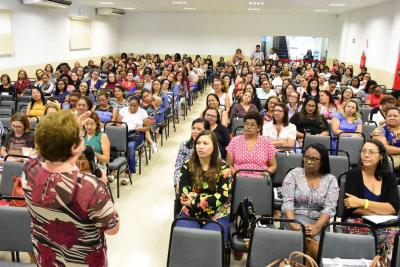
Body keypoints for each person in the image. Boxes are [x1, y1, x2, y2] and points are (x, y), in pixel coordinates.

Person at [22, 110, 119, 267]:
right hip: (81, 261)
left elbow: (45, 150)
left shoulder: (29, 169)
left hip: (47, 257)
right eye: (80, 136)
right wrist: (102, 185)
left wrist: (66, 126)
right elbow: (112, 229)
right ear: (75, 147)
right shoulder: (90, 186)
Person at [343, 139, 399, 265]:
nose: (366, 155)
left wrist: (363, 202)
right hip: (358, 221)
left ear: (381, 156)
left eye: (371, 152)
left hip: (386, 225)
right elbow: (351, 207)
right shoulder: (353, 175)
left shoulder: (389, 177)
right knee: (367, 239)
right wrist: (382, 210)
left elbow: (393, 208)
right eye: (363, 151)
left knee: (394, 240)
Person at [176, 130, 232, 242]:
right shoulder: (187, 165)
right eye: (198, 143)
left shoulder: (224, 168)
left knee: (211, 239)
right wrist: (207, 198)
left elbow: (221, 197)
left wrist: (194, 200)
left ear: (214, 147)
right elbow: (184, 193)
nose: (200, 147)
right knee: (185, 237)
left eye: (205, 143)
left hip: (217, 213)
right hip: (190, 212)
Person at [282, 144, 339, 242]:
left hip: (318, 221)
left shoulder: (330, 180)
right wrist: (292, 223)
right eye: (306, 157)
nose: (308, 162)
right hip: (294, 218)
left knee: (311, 242)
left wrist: (317, 227)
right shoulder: (293, 174)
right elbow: (288, 202)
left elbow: (329, 208)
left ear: (323, 161)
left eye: (314, 159)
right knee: (305, 241)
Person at [226, 111, 277, 177]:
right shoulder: (235, 141)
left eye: (252, 125)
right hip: (239, 178)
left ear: (258, 128)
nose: (248, 127)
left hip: (260, 179)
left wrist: (267, 173)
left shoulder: (266, 142)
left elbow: (273, 165)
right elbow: (229, 164)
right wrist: (237, 175)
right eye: (246, 124)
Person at [173, 118, 206, 216]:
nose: (195, 131)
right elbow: (178, 166)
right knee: (179, 191)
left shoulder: (212, 146)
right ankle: (178, 219)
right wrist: (178, 180)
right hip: (186, 179)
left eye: (199, 129)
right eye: (193, 128)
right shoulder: (185, 145)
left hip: (204, 181)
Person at [119, 96, 148, 182]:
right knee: (112, 144)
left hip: (136, 134)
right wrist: (122, 127)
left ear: (139, 105)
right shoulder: (123, 110)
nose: (132, 107)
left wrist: (138, 129)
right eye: (130, 105)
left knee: (130, 146)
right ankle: (113, 171)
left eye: (135, 105)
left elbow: (147, 127)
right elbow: (117, 124)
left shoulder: (143, 112)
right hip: (124, 133)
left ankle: (129, 172)